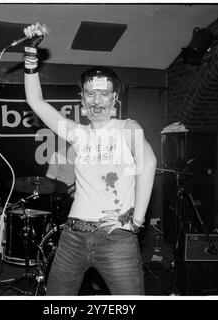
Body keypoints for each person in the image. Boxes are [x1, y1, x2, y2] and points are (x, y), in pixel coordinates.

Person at [22, 23, 157, 295]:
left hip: (116, 238)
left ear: (114, 98)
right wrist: (30, 55)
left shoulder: (127, 128)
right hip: (73, 236)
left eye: (104, 93)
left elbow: (149, 163)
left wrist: (136, 221)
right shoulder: (78, 133)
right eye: (90, 93)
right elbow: (37, 103)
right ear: (82, 99)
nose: (97, 100)